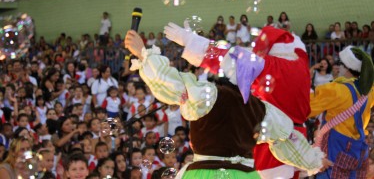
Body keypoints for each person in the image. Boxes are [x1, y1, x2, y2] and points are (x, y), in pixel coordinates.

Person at [163, 23, 327, 178]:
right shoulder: (303, 69)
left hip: (270, 146)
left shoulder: (271, 65)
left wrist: (190, 40)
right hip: (297, 145)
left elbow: (227, 57)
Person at [125, 29, 273, 178]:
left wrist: (143, 54)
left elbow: (172, 83)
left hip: (206, 173)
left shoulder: (211, 93)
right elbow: (288, 139)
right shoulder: (261, 107)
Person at [309, 46, 374, 178]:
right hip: (358, 152)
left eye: (340, 63)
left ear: (347, 67)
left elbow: (305, 108)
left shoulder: (335, 89)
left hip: (336, 151)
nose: (337, 67)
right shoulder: (369, 91)